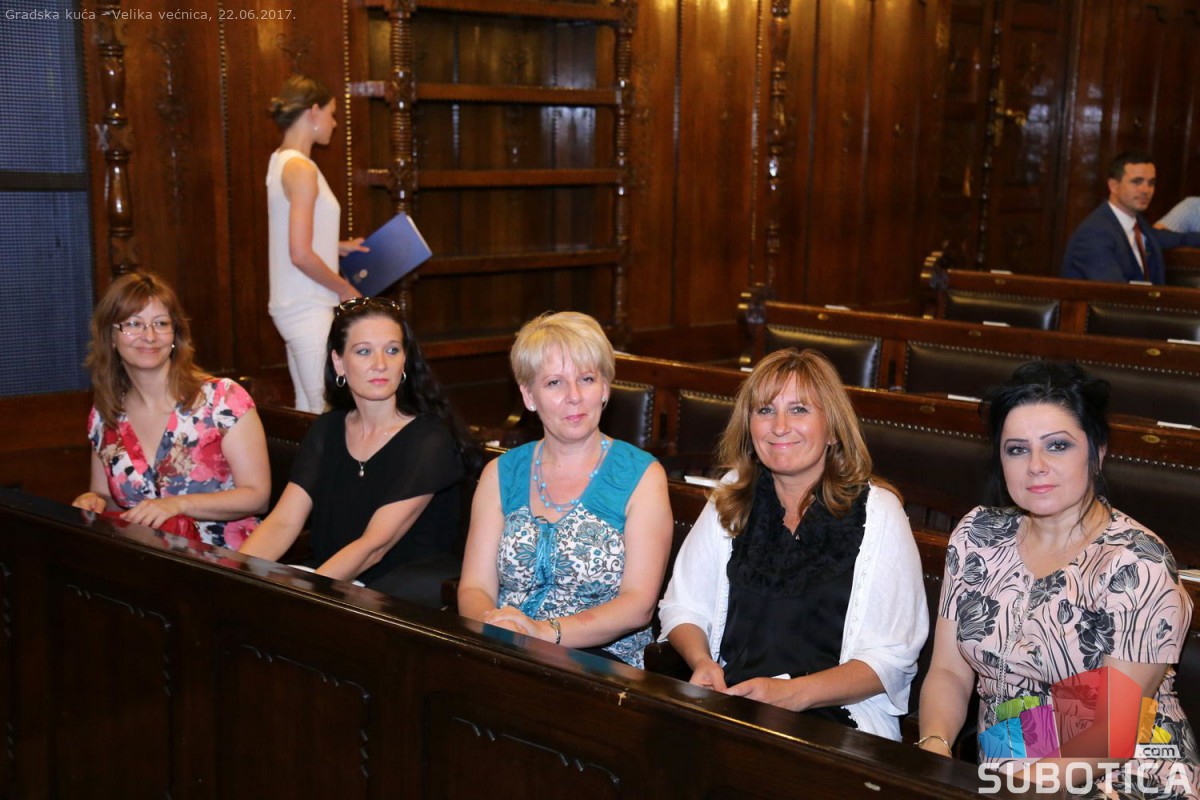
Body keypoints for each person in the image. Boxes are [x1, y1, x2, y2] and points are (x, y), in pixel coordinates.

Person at [918, 361, 1197, 797]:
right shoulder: (977, 536)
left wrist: (1016, 788)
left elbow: (1113, 727)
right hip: (1006, 771)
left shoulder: (1137, 562)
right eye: (1017, 449)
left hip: (1126, 772)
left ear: (1097, 453)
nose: (1036, 465)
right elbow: (949, 671)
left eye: (1058, 445)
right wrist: (934, 747)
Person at [657, 348, 927, 740]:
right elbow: (683, 607)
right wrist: (702, 662)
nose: (779, 426)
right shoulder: (731, 496)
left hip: (835, 720)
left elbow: (892, 657)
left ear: (833, 429)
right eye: (765, 410)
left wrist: (792, 694)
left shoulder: (879, 513)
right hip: (732, 704)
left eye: (799, 409)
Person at [457, 311, 673, 667]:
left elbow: (638, 605)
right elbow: (474, 587)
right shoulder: (501, 473)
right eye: (555, 383)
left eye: (586, 379)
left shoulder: (642, 476)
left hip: (600, 662)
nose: (574, 396)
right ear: (529, 395)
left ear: (605, 388)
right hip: (503, 647)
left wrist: (543, 633)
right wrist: (494, 627)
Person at [239, 297, 474, 605]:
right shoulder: (327, 429)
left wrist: (306, 597)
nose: (380, 364)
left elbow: (375, 545)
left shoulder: (429, 439)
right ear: (339, 362)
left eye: (392, 350)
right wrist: (234, 574)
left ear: (405, 360)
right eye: (364, 351)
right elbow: (283, 522)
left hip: (405, 594)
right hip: (336, 578)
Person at [72, 272, 270, 549]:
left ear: (175, 334)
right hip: (143, 558)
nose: (149, 336)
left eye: (161, 323)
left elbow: (257, 496)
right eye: (133, 324)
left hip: (225, 559)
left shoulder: (223, 399)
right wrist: (93, 501)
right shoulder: (105, 413)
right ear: (111, 337)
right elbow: (107, 497)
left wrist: (177, 505)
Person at [267, 74, 368, 413]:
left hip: (294, 304)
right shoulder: (302, 169)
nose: (334, 123)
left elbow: (292, 235)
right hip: (307, 306)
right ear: (313, 111)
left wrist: (337, 246)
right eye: (331, 113)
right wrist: (344, 288)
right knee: (329, 412)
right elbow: (300, 254)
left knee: (308, 411)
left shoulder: (281, 160)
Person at [1061, 151, 1200, 284]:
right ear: (1113, 186)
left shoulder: (1139, 225)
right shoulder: (1094, 233)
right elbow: (1114, 293)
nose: (1146, 190)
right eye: (1137, 182)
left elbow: (1179, 239)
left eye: (1151, 183)